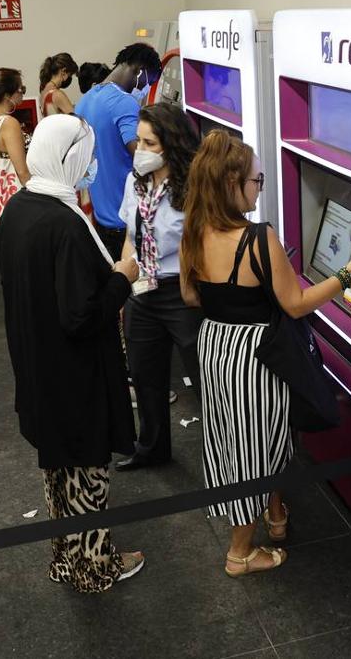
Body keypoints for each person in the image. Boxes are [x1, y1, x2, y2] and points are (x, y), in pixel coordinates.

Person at [180, 130, 351, 576]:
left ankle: (275, 515)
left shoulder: (193, 229)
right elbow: (296, 304)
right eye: (256, 181)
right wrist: (350, 273)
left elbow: (190, 296)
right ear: (231, 183)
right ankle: (239, 554)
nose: (259, 188)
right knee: (256, 447)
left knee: (241, 436)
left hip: (215, 346)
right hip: (257, 355)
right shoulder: (258, 237)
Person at [0, 113, 146, 592]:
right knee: (86, 473)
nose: (92, 164)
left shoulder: (21, 206)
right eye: (87, 156)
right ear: (67, 157)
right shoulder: (64, 224)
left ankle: (65, 558)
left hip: (37, 364)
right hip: (74, 375)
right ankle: (95, 567)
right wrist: (122, 278)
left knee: (57, 473)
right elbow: (81, 315)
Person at [116, 103, 203, 470]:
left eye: (149, 143)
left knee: (204, 376)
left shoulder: (195, 188)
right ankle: (152, 448)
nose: (140, 150)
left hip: (182, 291)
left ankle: (226, 450)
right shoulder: (134, 182)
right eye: (139, 141)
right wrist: (123, 283)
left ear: (172, 144)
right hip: (142, 289)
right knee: (145, 374)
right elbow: (130, 236)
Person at [75, 42, 163, 259]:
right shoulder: (125, 103)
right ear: (140, 71)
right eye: (150, 81)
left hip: (100, 213)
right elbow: (142, 157)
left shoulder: (85, 100)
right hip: (125, 219)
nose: (147, 88)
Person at [39, 53, 78, 117]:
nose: (69, 79)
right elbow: (76, 120)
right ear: (63, 72)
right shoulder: (58, 95)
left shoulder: (43, 92)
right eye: (70, 75)